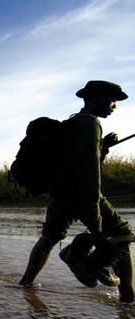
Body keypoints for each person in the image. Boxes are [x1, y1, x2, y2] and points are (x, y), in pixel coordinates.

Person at [19, 80, 135, 302]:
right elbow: (89, 171)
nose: (115, 106)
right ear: (95, 97)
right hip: (83, 194)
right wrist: (94, 211)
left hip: (61, 194)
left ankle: (26, 283)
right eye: (112, 100)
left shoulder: (73, 123)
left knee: (49, 238)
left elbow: (72, 159)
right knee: (123, 235)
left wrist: (103, 148)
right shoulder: (91, 124)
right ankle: (128, 299)